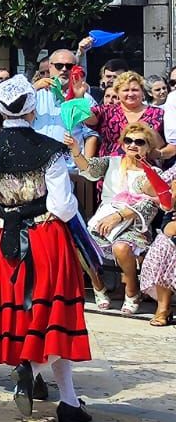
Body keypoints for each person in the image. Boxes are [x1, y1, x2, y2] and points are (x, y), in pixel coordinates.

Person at [0, 77, 92, 422]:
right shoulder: (51, 147)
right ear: (31, 107)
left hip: (3, 238)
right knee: (54, 315)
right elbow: (63, 206)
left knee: (24, 314)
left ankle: (67, 398)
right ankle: (35, 369)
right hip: (45, 235)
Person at [70, 121, 171, 313]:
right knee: (80, 243)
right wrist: (76, 150)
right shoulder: (112, 162)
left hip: (134, 225)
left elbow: (152, 203)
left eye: (139, 142)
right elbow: (89, 169)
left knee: (122, 247)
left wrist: (119, 216)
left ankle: (132, 290)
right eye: (128, 140)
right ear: (123, 144)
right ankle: (98, 287)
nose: (133, 145)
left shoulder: (154, 172)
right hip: (104, 218)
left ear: (148, 147)